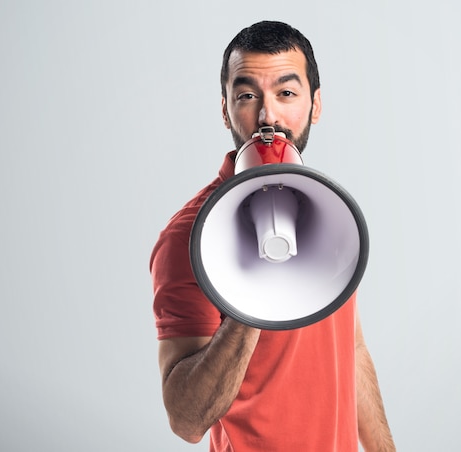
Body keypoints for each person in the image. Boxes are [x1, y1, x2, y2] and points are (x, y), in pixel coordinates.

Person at [150, 20, 395, 451]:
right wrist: (253, 297)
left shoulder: (330, 213)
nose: (268, 116)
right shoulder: (188, 237)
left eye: (286, 93)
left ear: (315, 105)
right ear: (225, 109)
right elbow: (186, 421)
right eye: (247, 96)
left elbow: (351, 352)